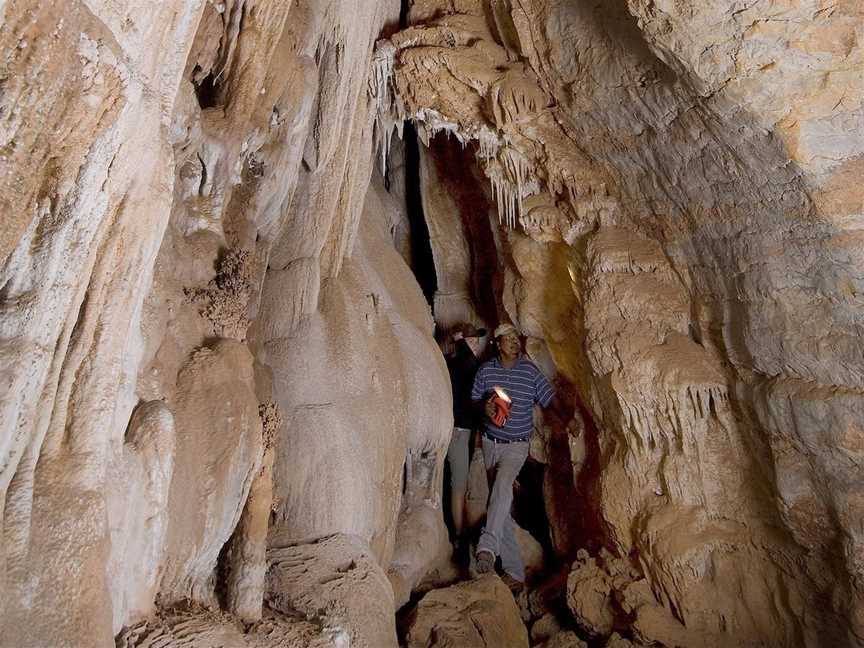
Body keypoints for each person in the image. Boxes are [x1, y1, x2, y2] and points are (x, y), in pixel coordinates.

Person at [471, 322, 572, 587]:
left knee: (503, 486)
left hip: (517, 445)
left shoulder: (529, 371)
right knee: (500, 503)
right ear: (497, 343)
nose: (516, 342)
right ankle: (515, 573)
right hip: (492, 443)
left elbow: (549, 398)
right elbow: (473, 401)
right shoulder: (486, 371)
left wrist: (567, 419)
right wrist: (484, 407)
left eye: (517, 338)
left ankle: (487, 546)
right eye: (510, 338)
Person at [444, 323, 486, 560]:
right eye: (473, 339)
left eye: (477, 339)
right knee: (458, 485)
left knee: (460, 483)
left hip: (463, 430)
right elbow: (472, 397)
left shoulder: (458, 362)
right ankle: (459, 537)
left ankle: (460, 531)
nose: (476, 343)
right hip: (459, 430)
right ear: (464, 341)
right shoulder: (463, 363)